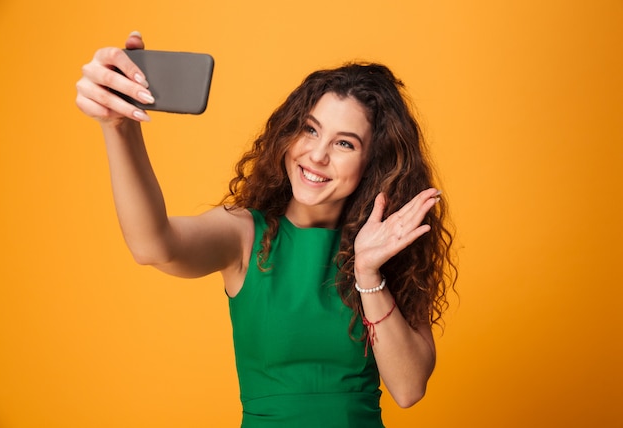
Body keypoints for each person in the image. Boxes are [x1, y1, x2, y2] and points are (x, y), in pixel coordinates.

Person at [76, 31, 457, 428]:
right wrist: (118, 127)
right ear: (288, 133)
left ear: (373, 164)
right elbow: (152, 246)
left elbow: (409, 388)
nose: (317, 155)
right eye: (310, 130)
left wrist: (367, 272)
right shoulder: (246, 235)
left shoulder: (388, 249)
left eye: (344, 144)